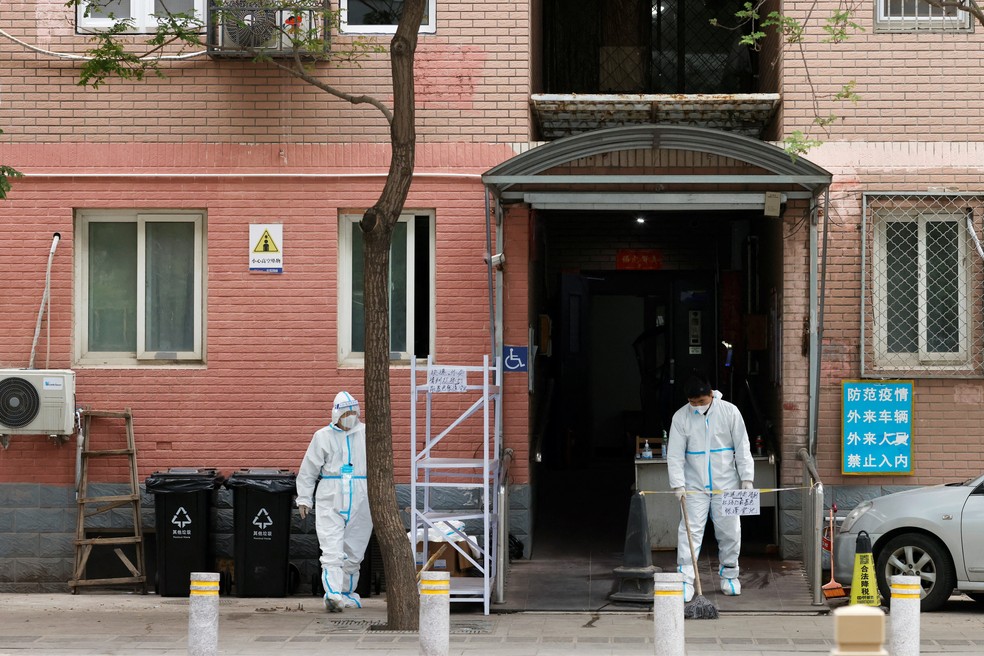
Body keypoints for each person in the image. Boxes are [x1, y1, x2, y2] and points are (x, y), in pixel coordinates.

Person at [667, 373, 754, 601]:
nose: (696, 407)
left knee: (729, 532)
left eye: (701, 402)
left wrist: (747, 478)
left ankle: (730, 576)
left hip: (726, 484)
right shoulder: (681, 417)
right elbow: (675, 454)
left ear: (711, 394)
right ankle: (686, 579)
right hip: (694, 485)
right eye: (692, 403)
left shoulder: (729, 412)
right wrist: (678, 484)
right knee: (689, 532)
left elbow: (742, 446)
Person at [296, 391, 372, 612]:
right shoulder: (323, 436)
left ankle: (347, 593)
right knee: (331, 548)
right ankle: (333, 593)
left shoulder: (366, 433)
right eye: (345, 413)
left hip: (362, 495)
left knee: (355, 549)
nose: (350, 417)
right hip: (331, 494)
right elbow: (309, 469)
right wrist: (304, 498)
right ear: (336, 414)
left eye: (353, 412)